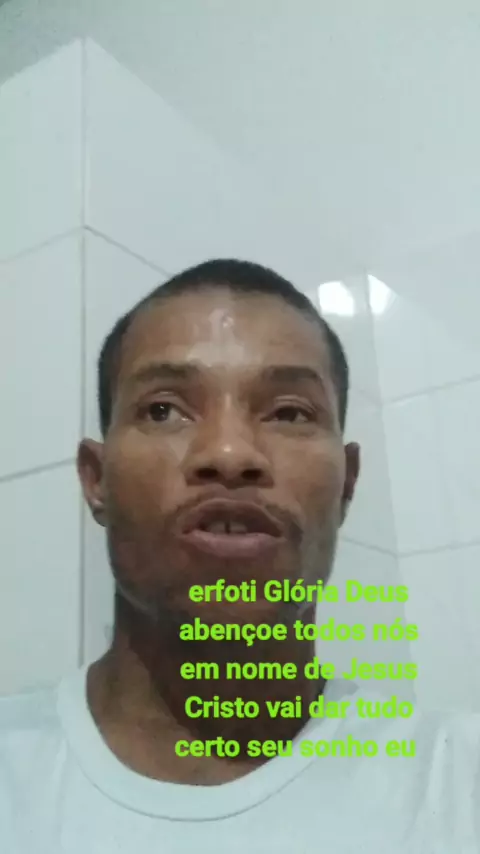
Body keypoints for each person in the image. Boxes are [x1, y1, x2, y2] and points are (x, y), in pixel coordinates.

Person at [1, 259, 479, 853]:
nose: (229, 454)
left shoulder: (457, 785)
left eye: (289, 412)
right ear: (97, 480)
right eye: (163, 409)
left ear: (347, 485)